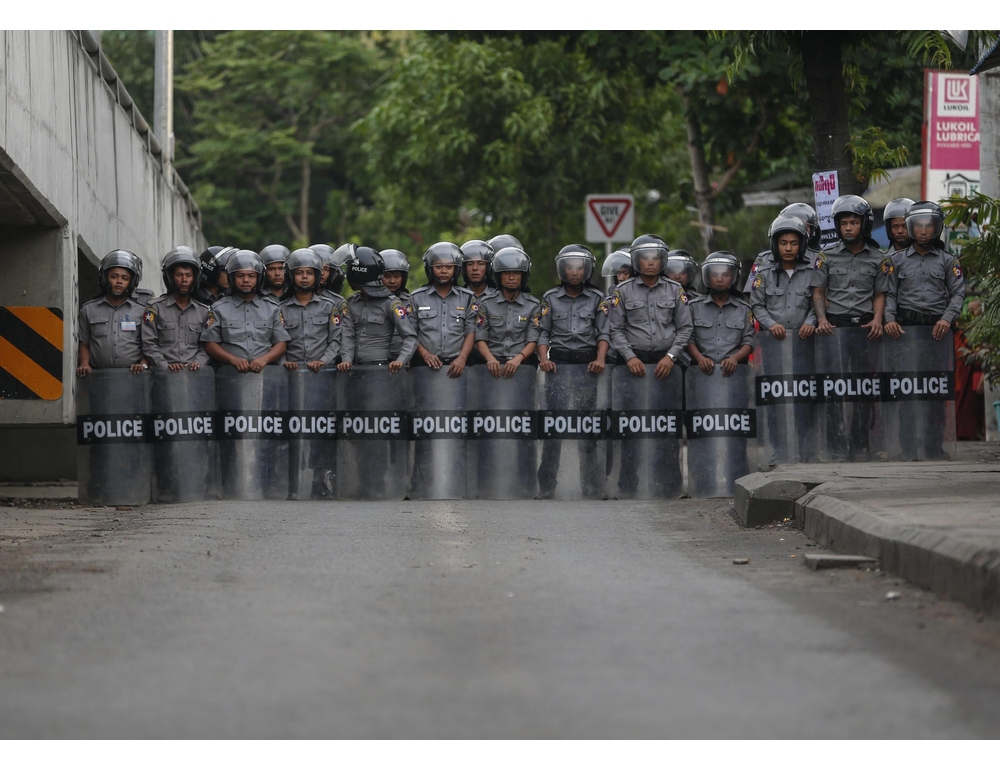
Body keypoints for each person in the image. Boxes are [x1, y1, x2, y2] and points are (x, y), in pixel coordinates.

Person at [607, 235, 692, 498]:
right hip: (632, 367)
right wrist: (630, 357)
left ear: (663, 260)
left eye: (656, 258)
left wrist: (672, 356)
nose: (651, 263)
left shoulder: (675, 290)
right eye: (645, 258)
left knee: (667, 427)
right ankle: (627, 486)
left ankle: (670, 485)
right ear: (636, 260)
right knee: (631, 428)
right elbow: (615, 329)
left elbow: (685, 327)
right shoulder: (621, 292)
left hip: (665, 367)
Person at [811, 194, 893, 460]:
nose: (848, 227)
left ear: (864, 224)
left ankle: (860, 445)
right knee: (835, 388)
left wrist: (879, 319)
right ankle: (835, 447)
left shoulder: (878, 257)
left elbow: (880, 293)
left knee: (862, 389)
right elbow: (818, 292)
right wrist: (822, 319)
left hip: (865, 330)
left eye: (853, 222)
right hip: (834, 329)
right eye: (843, 222)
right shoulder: (826, 256)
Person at [883, 200, 966, 460]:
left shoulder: (949, 261)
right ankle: (908, 448)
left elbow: (958, 294)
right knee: (908, 389)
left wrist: (946, 318)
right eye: (917, 226)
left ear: (936, 228)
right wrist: (889, 319)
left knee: (936, 391)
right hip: (906, 332)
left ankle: (933, 446)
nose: (923, 231)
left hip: (936, 333)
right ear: (909, 228)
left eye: (928, 226)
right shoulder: (894, 261)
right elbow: (887, 294)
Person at [536, 244, 610, 499]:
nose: (575, 272)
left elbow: (604, 333)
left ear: (587, 270)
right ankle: (546, 486)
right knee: (553, 427)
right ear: (562, 269)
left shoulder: (598, 298)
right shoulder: (550, 297)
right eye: (570, 267)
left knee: (586, 429)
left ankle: (590, 486)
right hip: (558, 367)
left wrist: (601, 358)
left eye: (580, 267)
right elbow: (543, 332)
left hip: (587, 368)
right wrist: (543, 358)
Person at [749, 216, 817, 461]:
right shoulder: (761, 265)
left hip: (805, 344)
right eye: (783, 243)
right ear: (774, 244)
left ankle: (805, 449)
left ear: (803, 244)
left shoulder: (815, 264)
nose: (788, 248)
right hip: (774, 345)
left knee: (805, 399)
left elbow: (818, 301)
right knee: (775, 399)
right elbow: (756, 305)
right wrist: (771, 325)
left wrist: (810, 323)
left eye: (794, 243)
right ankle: (779, 450)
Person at [200, 250, 289, 372]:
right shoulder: (218, 308)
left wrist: (264, 359)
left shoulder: (272, 308)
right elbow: (209, 343)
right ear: (231, 278)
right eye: (240, 276)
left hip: (267, 375)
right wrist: (233, 360)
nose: (246, 280)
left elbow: (281, 343)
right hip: (229, 375)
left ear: (259, 278)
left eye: (251, 276)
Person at [337, 246, 416, 373]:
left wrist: (401, 360)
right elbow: (347, 335)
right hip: (354, 369)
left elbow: (410, 337)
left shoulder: (390, 303)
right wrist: (346, 360)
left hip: (381, 369)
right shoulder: (352, 302)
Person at [77, 250, 150, 377]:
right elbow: (84, 344)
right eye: (114, 276)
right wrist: (84, 364)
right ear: (105, 278)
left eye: (125, 278)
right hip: (98, 378)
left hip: (134, 377)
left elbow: (149, 345)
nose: (119, 281)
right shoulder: (88, 310)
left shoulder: (142, 311)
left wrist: (142, 364)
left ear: (131, 282)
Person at [409, 242, 477, 375]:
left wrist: (462, 358)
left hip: (458, 368)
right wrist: (425, 355)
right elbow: (410, 333)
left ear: (456, 269)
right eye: (438, 267)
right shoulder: (416, 297)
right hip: (424, 367)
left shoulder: (468, 298)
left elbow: (471, 331)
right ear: (430, 268)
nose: (444, 271)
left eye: (449, 267)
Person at [474, 247, 541, 378]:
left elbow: (533, 340)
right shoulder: (485, 303)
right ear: (499, 276)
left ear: (523, 276)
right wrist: (490, 359)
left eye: (516, 273)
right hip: (491, 367)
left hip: (522, 366)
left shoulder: (533, 305)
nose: (511, 278)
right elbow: (480, 337)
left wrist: (518, 359)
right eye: (506, 273)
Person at [141, 246, 211, 372]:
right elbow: (148, 344)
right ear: (170, 277)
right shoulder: (154, 308)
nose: (184, 280)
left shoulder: (204, 311)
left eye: (188, 275)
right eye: (179, 275)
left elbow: (207, 345)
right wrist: (164, 366)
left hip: (195, 377)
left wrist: (197, 363)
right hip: (162, 376)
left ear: (194, 278)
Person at [280, 248, 344, 372]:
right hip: (290, 373)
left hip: (322, 372)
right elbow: (275, 341)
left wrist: (323, 361)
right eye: (299, 273)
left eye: (309, 273)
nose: (304, 277)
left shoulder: (329, 306)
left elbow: (336, 339)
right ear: (290, 276)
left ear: (317, 276)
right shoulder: (280, 308)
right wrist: (284, 363)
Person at [380, 249, 413, 361]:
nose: (392, 281)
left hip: (405, 359)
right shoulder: (371, 302)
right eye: (387, 276)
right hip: (379, 360)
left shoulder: (411, 302)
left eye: (397, 276)